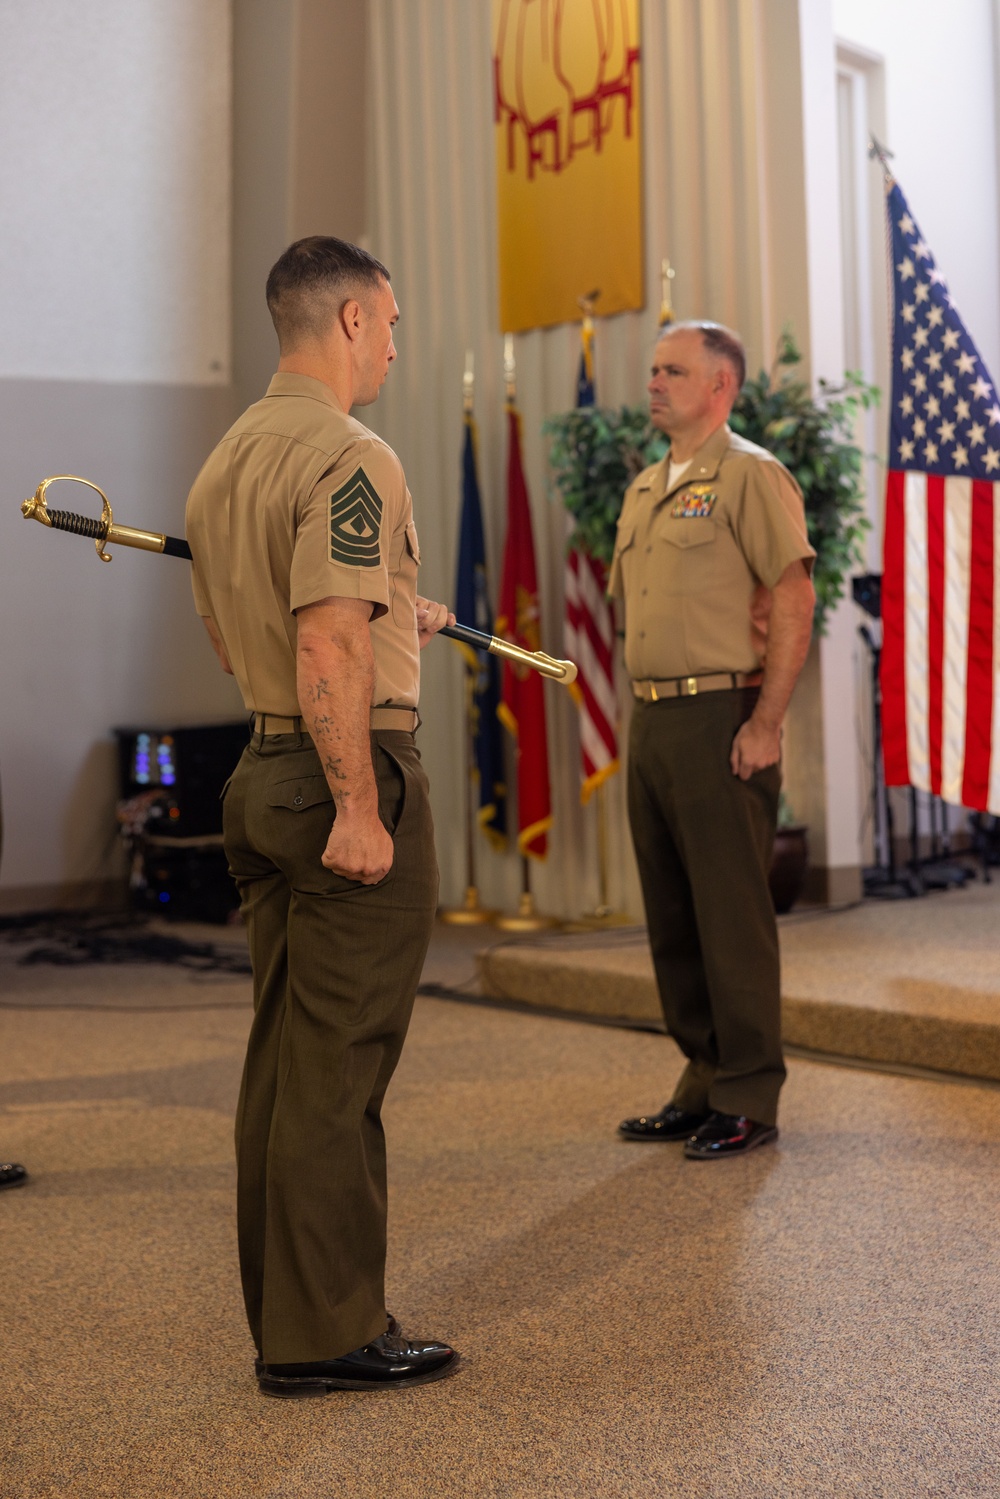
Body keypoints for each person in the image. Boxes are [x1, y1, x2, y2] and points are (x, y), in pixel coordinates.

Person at [186, 236, 459, 1395]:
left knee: (287, 1064)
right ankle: (328, 1329)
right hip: (337, 779)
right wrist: (358, 797)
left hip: (261, 765)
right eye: (389, 322)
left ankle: (293, 1313)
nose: (395, 341)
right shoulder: (353, 455)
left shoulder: (228, 458)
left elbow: (253, 628)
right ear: (348, 320)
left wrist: (401, 617)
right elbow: (326, 639)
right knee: (338, 1068)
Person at [610, 321, 815, 1159]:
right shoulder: (644, 486)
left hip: (720, 716)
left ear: (721, 386)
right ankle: (703, 1076)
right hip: (653, 717)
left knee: (730, 915)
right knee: (673, 914)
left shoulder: (752, 475)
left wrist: (766, 723)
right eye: (653, 369)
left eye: (674, 370)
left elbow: (794, 597)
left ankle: (749, 1091)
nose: (654, 382)